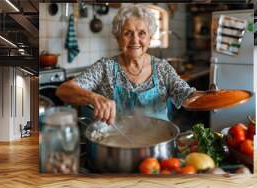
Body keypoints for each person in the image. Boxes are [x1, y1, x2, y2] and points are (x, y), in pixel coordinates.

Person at [56, 5, 199, 125]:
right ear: (118, 38)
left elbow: (186, 94)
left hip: (157, 148)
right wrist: (93, 97)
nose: (135, 40)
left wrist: (202, 96)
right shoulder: (105, 67)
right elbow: (63, 90)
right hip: (116, 148)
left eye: (142, 33)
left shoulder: (163, 68)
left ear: (149, 38)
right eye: (128, 33)